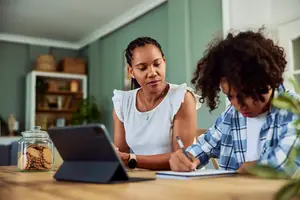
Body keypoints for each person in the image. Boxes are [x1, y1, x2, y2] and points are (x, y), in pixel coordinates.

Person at [169, 29, 300, 175]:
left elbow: (284, 164)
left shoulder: (293, 109)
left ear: (265, 80)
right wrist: (186, 158)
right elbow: (203, 147)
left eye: (245, 94)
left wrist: (248, 170)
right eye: (230, 97)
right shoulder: (231, 115)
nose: (239, 105)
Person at [112, 37, 200, 170]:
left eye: (157, 64)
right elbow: (121, 156)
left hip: (179, 180)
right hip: (143, 178)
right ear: (131, 72)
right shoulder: (122, 102)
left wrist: (132, 159)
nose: (152, 73)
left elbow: (179, 159)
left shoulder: (181, 98)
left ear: (164, 62)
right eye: (142, 68)